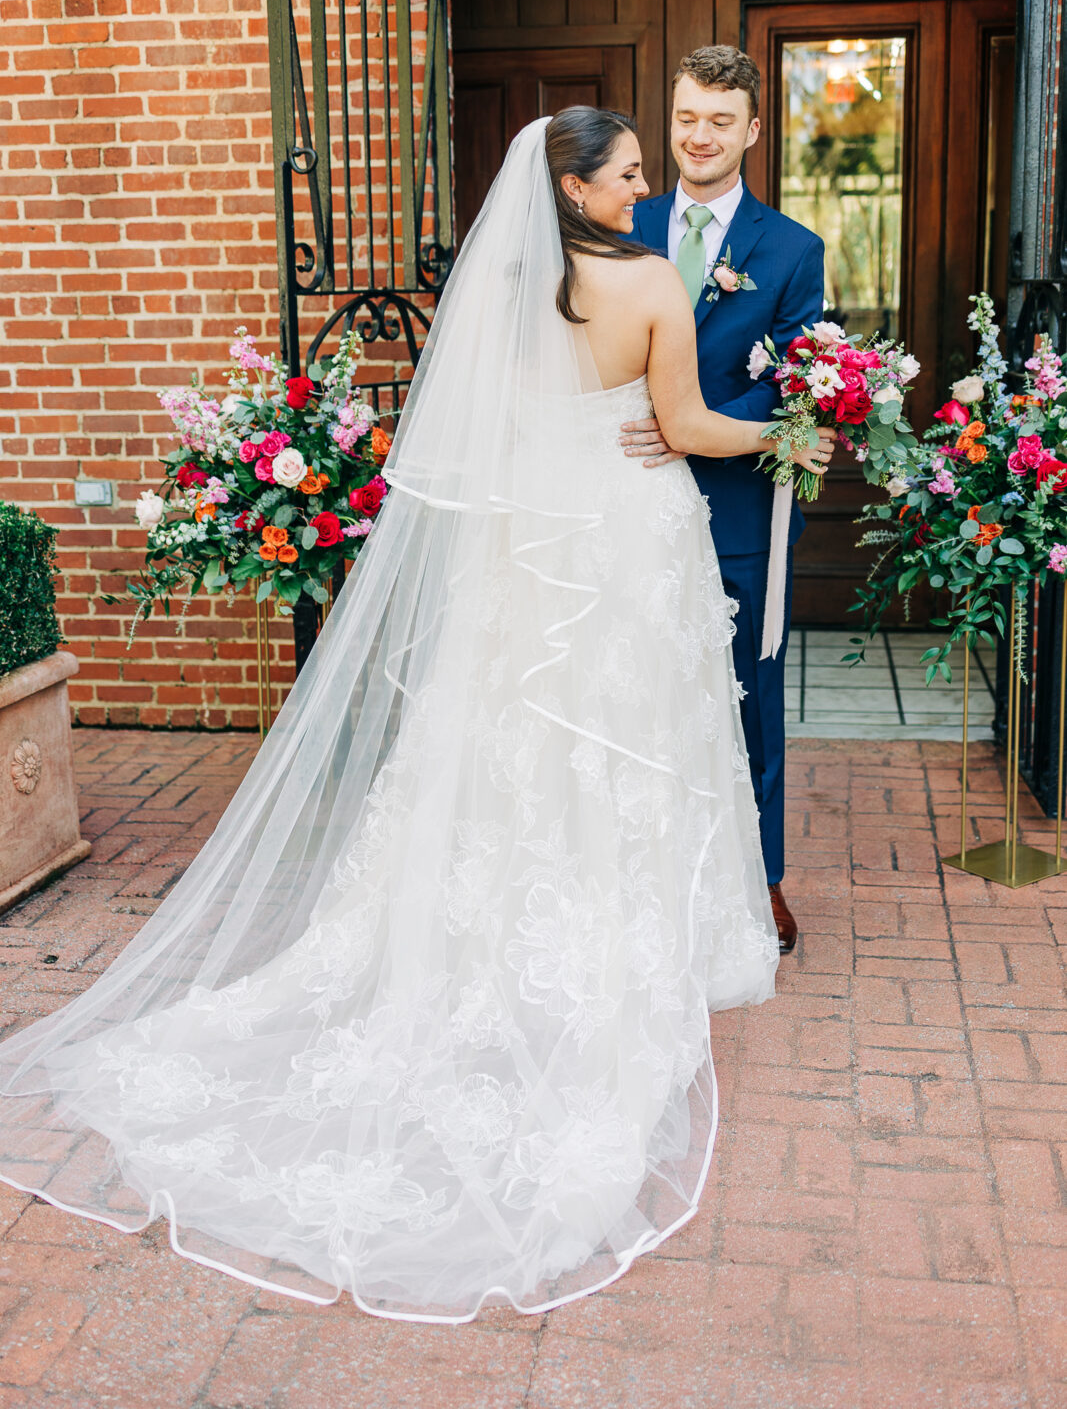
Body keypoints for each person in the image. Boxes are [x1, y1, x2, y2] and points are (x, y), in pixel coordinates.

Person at [0, 110, 832, 1324]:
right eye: (629, 173)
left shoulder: (505, 293)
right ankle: (604, 936)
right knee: (622, 744)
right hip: (623, 541)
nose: (645, 187)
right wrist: (796, 432)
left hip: (526, 549)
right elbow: (694, 430)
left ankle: (486, 923)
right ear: (575, 185)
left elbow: (476, 434)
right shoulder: (652, 281)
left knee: (506, 739)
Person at [620, 46, 828, 953]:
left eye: (717, 121)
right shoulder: (624, 220)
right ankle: (642, 874)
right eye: (684, 119)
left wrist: (688, 424)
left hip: (738, 505)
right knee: (633, 689)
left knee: (746, 692)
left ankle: (762, 878)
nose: (697, 138)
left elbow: (797, 383)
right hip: (623, 494)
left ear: (751, 130)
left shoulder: (791, 251)